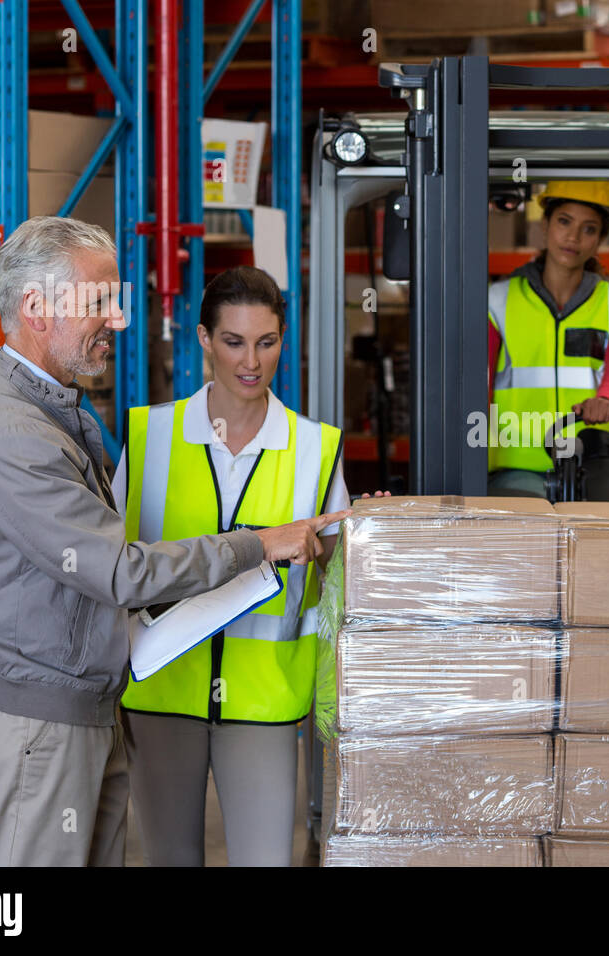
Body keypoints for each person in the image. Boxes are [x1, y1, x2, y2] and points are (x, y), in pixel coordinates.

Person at [0, 217, 345, 866]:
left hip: (97, 706)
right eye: (98, 303)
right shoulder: (16, 433)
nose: (117, 321)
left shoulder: (56, 415)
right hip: (50, 713)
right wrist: (256, 545)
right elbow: (117, 572)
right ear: (36, 307)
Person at [110, 266, 367, 866]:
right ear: (203, 339)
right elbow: (113, 565)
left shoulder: (315, 447)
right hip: (161, 689)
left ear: (283, 339)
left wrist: (353, 539)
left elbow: (336, 571)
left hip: (264, 700)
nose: (251, 361)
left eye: (267, 342)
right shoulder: (150, 437)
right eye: (233, 342)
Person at [487, 180, 609, 501]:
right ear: (544, 225)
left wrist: (607, 400)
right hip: (519, 463)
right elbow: (479, 379)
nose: (573, 237)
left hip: (599, 459)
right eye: (564, 222)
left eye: (589, 229)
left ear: (600, 239)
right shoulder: (497, 301)